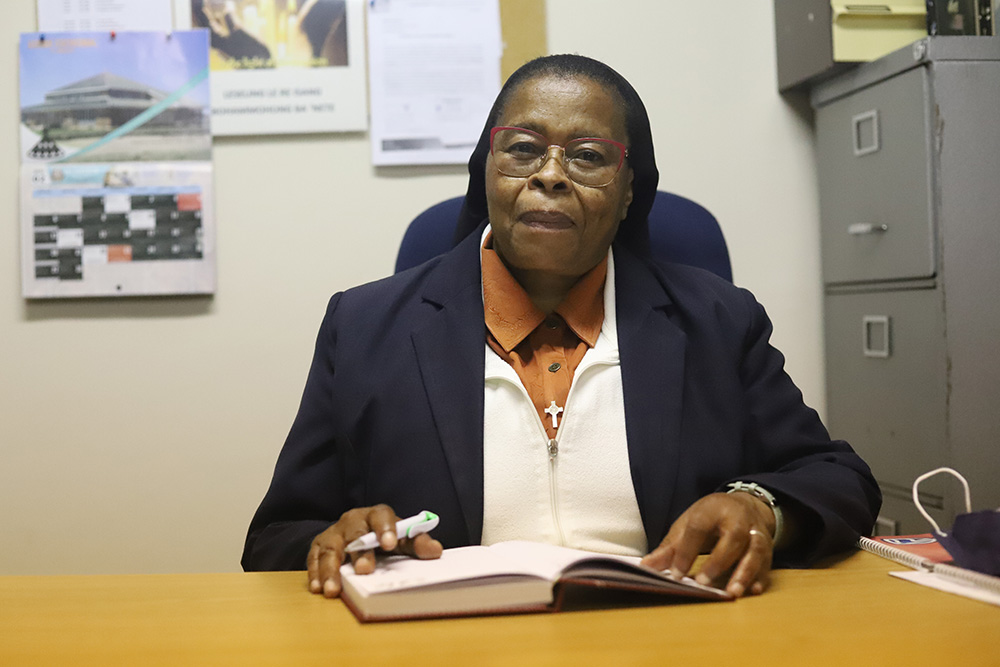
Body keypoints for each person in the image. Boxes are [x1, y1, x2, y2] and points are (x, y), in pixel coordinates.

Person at [242, 54, 881, 600]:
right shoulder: (364, 326)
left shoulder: (717, 320)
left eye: (587, 156)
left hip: (672, 637)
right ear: (486, 171)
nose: (549, 174)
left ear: (630, 190)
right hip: (445, 644)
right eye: (522, 149)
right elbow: (277, 537)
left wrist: (761, 509)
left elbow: (837, 480)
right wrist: (337, 540)